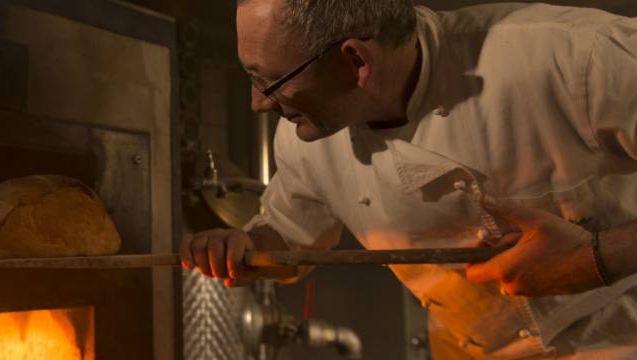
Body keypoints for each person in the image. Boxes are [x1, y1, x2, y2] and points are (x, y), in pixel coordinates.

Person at [179, 0, 637, 358]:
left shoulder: (577, 57)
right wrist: (246, 249)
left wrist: (598, 257)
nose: (258, 103)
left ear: (356, 60)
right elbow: (289, 237)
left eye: (270, 81)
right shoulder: (303, 136)